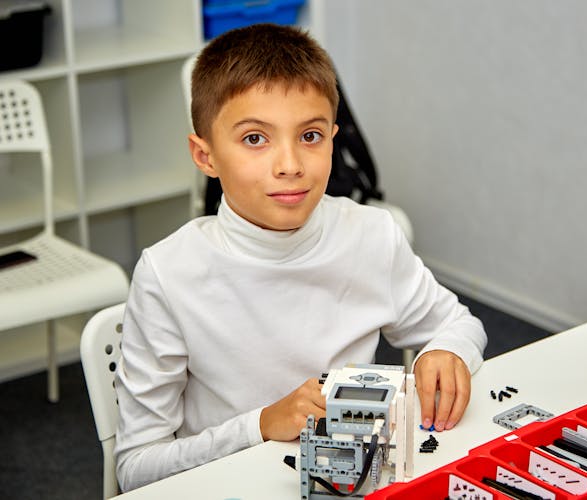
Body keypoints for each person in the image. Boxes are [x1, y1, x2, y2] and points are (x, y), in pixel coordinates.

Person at [113, 23, 487, 492]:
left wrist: (446, 350)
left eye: (310, 136)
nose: (290, 165)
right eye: (255, 139)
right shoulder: (168, 274)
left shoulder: (371, 235)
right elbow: (136, 467)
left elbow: (460, 323)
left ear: (333, 138)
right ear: (205, 156)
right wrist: (262, 424)